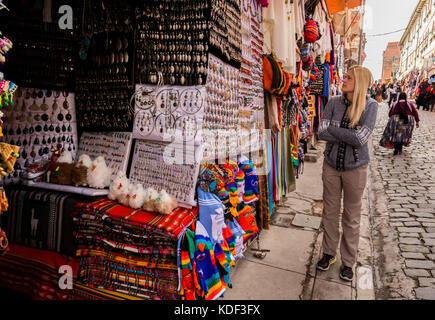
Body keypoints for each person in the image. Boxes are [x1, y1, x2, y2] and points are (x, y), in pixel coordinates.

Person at [317, 66, 378, 281]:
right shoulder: (333, 102)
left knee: (352, 217)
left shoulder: (370, 106)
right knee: (330, 212)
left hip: (356, 168)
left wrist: (335, 130)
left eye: (348, 78)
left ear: (359, 83)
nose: (343, 80)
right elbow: (321, 131)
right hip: (331, 165)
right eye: (345, 77)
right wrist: (350, 132)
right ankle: (328, 253)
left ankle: (348, 262)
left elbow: (361, 139)